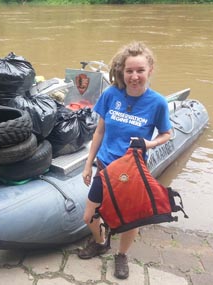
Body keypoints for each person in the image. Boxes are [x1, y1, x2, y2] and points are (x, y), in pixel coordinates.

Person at [78, 41, 172, 280]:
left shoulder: (157, 103)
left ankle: (122, 255)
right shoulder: (111, 94)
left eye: (140, 70)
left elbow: (166, 134)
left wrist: (148, 143)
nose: (134, 76)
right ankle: (101, 242)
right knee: (89, 216)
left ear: (149, 70)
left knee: (130, 219)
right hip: (106, 166)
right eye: (129, 71)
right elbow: (99, 131)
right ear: (122, 71)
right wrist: (88, 163)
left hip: (132, 170)